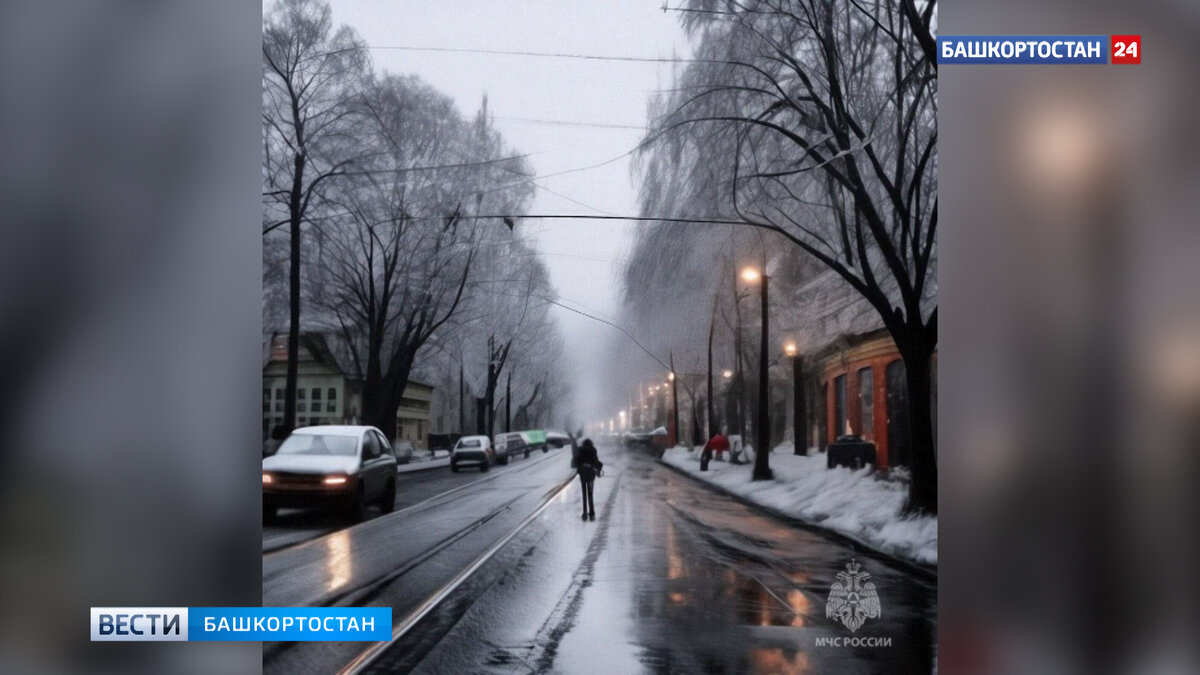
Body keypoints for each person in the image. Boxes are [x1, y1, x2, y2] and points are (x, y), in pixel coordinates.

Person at [575, 438, 603, 521]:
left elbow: (577, 461)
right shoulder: (593, 450)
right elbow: (595, 461)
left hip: (583, 475)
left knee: (584, 494)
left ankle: (584, 514)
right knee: (590, 494)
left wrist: (579, 470)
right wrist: (599, 468)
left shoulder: (580, 450)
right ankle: (592, 514)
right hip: (591, 475)